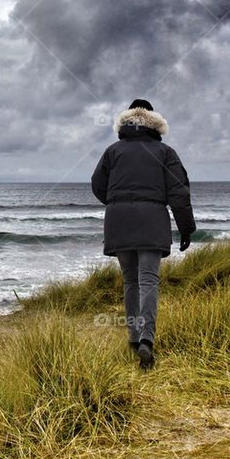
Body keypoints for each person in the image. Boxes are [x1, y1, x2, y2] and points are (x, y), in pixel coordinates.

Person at [91, 99, 196, 370]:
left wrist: (118, 203)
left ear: (125, 121)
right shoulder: (165, 152)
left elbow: (97, 186)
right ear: (154, 122)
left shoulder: (112, 151)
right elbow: (179, 193)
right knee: (149, 281)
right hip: (152, 221)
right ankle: (148, 340)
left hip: (119, 222)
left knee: (130, 282)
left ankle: (134, 340)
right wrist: (186, 227)